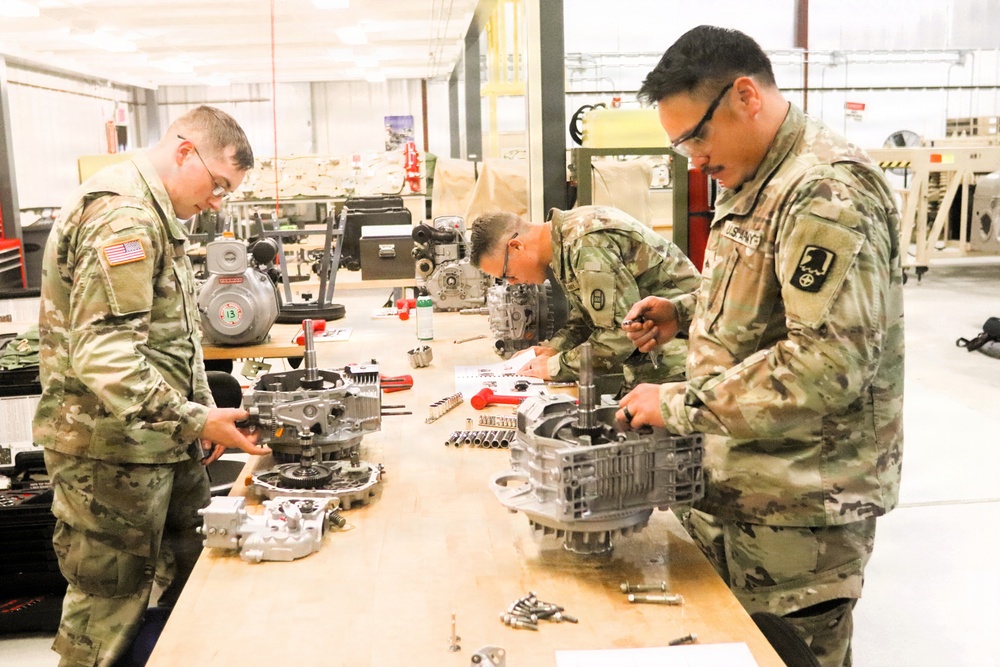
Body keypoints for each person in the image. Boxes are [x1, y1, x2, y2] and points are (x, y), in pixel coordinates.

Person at [616, 26, 904, 667]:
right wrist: (683, 313)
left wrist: (680, 404)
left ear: (745, 95)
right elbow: (760, 300)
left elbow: (827, 366)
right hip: (734, 492)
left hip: (797, 516)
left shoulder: (827, 192)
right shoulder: (752, 176)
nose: (692, 158)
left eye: (695, 136)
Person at [33, 105, 271, 667]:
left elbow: (171, 336)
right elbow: (106, 358)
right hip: (109, 456)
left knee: (198, 582)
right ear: (184, 149)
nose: (217, 202)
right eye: (218, 185)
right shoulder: (125, 219)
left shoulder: (159, 216)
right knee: (107, 613)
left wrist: (203, 415)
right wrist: (194, 419)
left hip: (161, 442)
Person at [469, 205, 702, 390]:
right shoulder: (564, 240)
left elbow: (621, 333)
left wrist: (555, 367)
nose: (512, 283)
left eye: (507, 274)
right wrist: (554, 348)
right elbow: (587, 316)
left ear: (517, 246)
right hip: (657, 355)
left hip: (680, 356)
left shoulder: (585, 242)